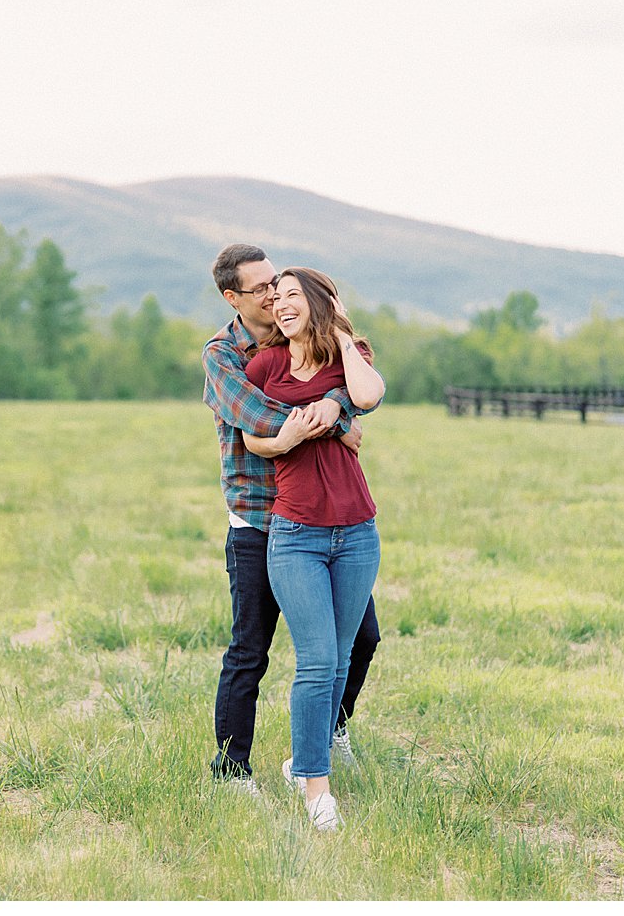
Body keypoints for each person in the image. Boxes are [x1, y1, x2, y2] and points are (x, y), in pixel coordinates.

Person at [202, 244, 382, 798]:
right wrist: (333, 413)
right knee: (250, 649)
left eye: (276, 286)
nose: (271, 294)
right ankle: (231, 771)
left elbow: (352, 383)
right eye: (259, 289)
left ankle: (327, 735)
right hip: (259, 519)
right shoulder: (225, 356)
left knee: (361, 640)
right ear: (233, 298)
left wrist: (340, 400)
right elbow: (255, 417)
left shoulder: (299, 341)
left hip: (325, 520)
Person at [242, 267, 385, 831]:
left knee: (343, 656)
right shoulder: (266, 364)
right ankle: (315, 789)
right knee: (319, 660)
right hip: (296, 532)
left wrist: (343, 348)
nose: (279, 305)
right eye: (275, 299)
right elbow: (247, 434)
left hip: (356, 531)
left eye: (292, 296)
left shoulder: (346, 358)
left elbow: (369, 396)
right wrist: (288, 438)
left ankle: (303, 762)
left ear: (321, 302)